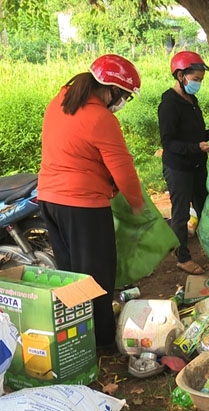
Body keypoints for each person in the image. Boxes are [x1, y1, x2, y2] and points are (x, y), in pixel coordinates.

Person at [38, 54, 145, 348]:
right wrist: (136, 202)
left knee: (72, 273)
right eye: (123, 96)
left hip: (49, 199)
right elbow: (122, 168)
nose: (122, 102)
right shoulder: (100, 118)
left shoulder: (60, 102)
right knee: (96, 275)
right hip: (82, 206)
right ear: (109, 89)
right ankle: (103, 344)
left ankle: (78, 338)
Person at [158, 51, 209, 275]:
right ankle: (182, 258)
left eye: (200, 80)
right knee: (181, 214)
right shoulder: (169, 104)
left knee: (205, 207)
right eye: (195, 80)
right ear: (180, 76)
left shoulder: (191, 100)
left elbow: (196, 133)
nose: (198, 84)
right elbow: (169, 142)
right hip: (178, 168)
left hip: (197, 165)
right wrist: (196, 147)